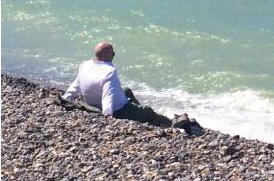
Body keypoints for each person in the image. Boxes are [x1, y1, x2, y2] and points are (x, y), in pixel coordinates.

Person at [61, 41, 190, 130]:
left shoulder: (85, 65)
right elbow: (108, 94)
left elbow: (76, 85)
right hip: (117, 109)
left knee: (126, 91)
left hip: (93, 101)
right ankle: (170, 123)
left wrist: (66, 97)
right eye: (112, 53)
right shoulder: (109, 71)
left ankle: (139, 112)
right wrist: (107, 115)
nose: (113, 55)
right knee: (147, 111)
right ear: (106, 55)